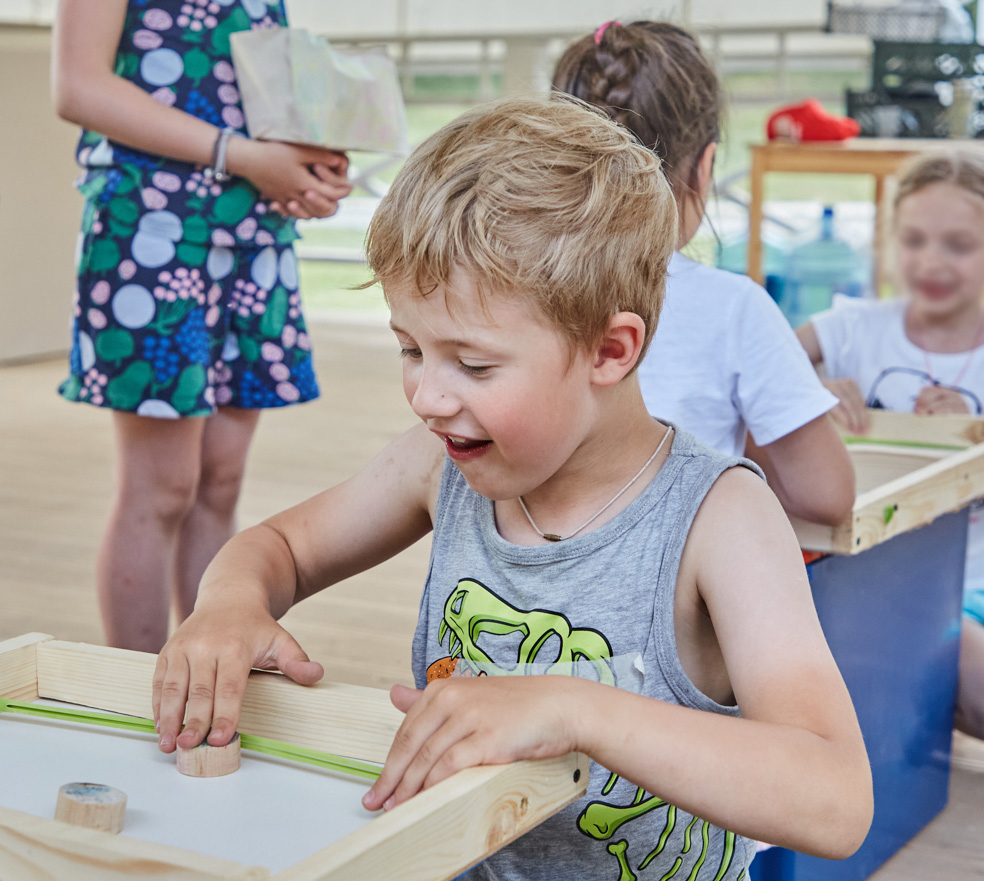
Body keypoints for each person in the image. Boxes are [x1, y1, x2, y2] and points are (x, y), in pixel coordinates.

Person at [151, 95, 873, 879]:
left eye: (474, 363)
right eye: (410, 349)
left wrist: (572, 708)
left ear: (610, 350)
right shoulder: (438, 466)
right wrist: (228, 604)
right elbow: (281, 548)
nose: (428, 396)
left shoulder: (720, 519)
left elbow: (836, 798)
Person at [53, 0, 353, 652]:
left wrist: (303, 166)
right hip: (154, 228)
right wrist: (241, 155)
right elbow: (78, 86)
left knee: (219, 483)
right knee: (161, 487)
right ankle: (133, 687)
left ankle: (209, 670)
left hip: (253, 228)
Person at [796, 148, 984, 798]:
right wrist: (811, 391)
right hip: (888, 578)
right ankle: (915, 689)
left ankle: (928, 692)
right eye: (914, 240)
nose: (931, 261)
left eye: (958, 245)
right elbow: (760, 371)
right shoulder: (853, 330)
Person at [552, 21, 856, 526]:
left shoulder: (514, 289)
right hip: (680, 576)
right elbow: (827, 496)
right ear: (704, 166)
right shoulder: (735, 307)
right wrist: (756, 426)